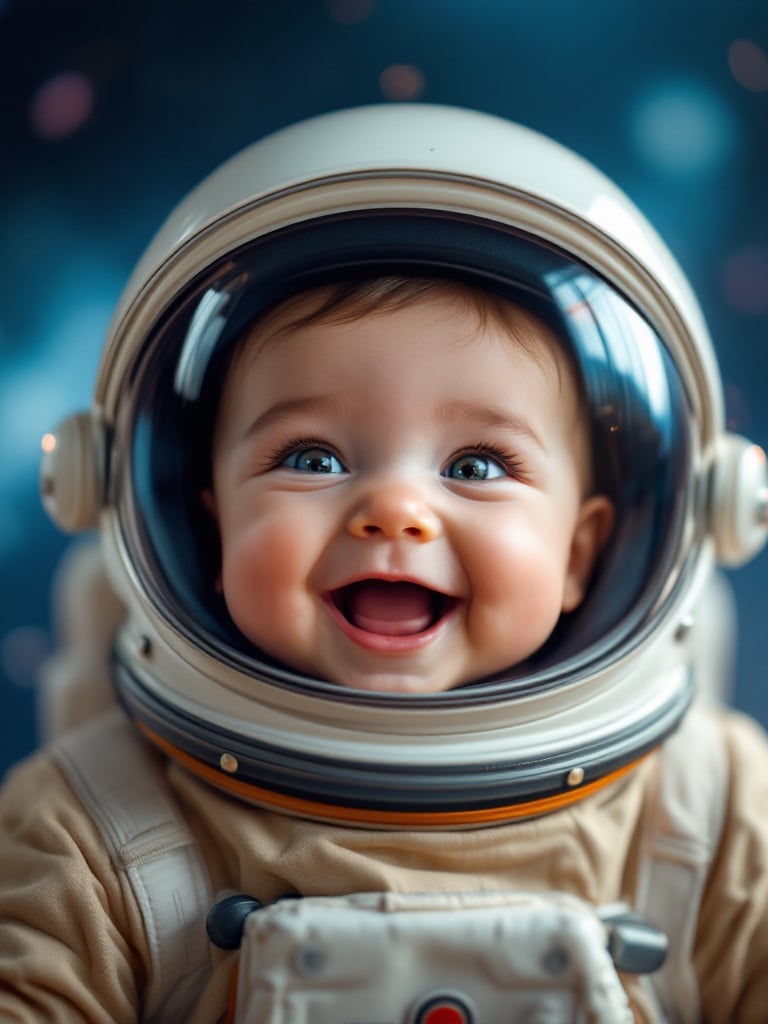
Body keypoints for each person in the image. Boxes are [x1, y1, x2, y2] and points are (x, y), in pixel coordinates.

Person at [1, 104, 767, 1023]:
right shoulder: (91, 831)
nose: (395, 510)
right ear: (207, 528)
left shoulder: (713, 817)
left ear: (580, 552)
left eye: (476, 467)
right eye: (312, 458)